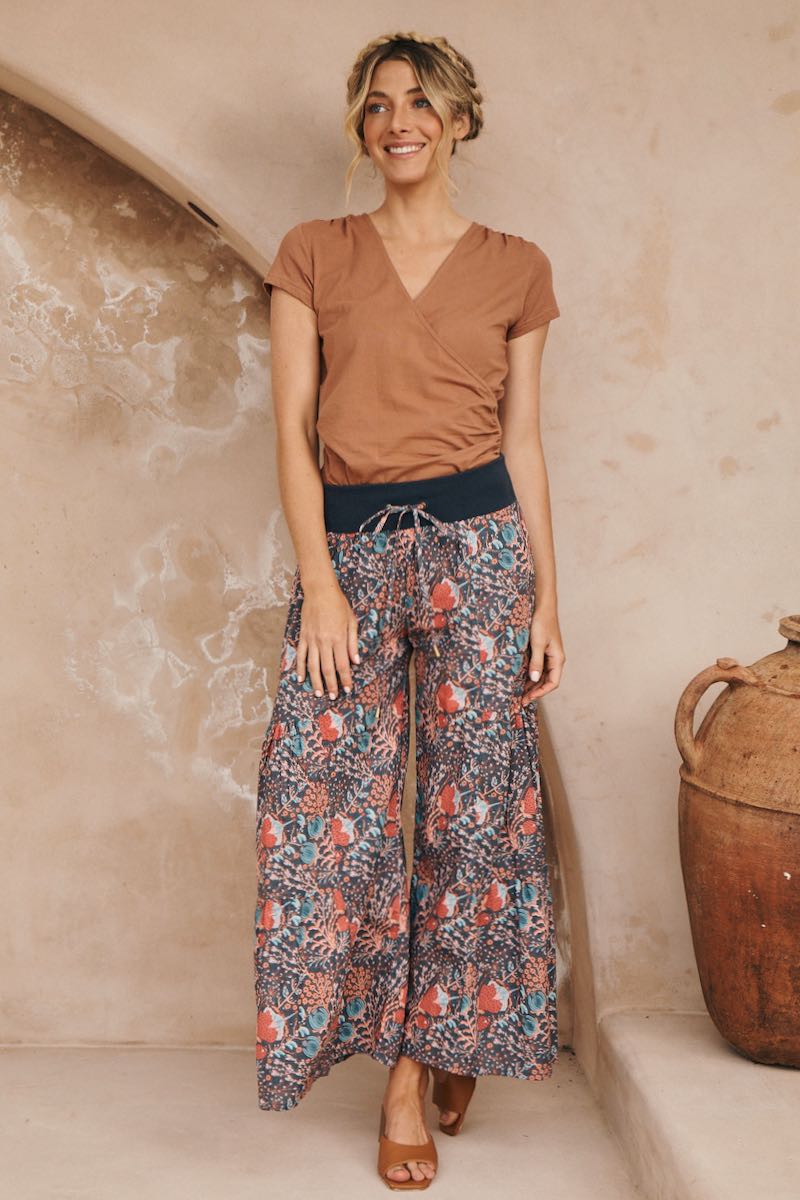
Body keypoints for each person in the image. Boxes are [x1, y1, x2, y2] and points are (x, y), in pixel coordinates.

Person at [254, 30, 566, 1190]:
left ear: (459, 122)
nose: (400, 121)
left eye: (422, 102)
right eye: (379, 103)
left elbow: (522, 442)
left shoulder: (516, 267)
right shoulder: (313, 253)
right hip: (351, 552)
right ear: (361, 124)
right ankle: (415, 1039)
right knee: (324, 803)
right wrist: (321, 584)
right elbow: (291, 432)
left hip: (480, 554)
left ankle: (424, 1061)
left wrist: (546, 596)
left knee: (475, 813)